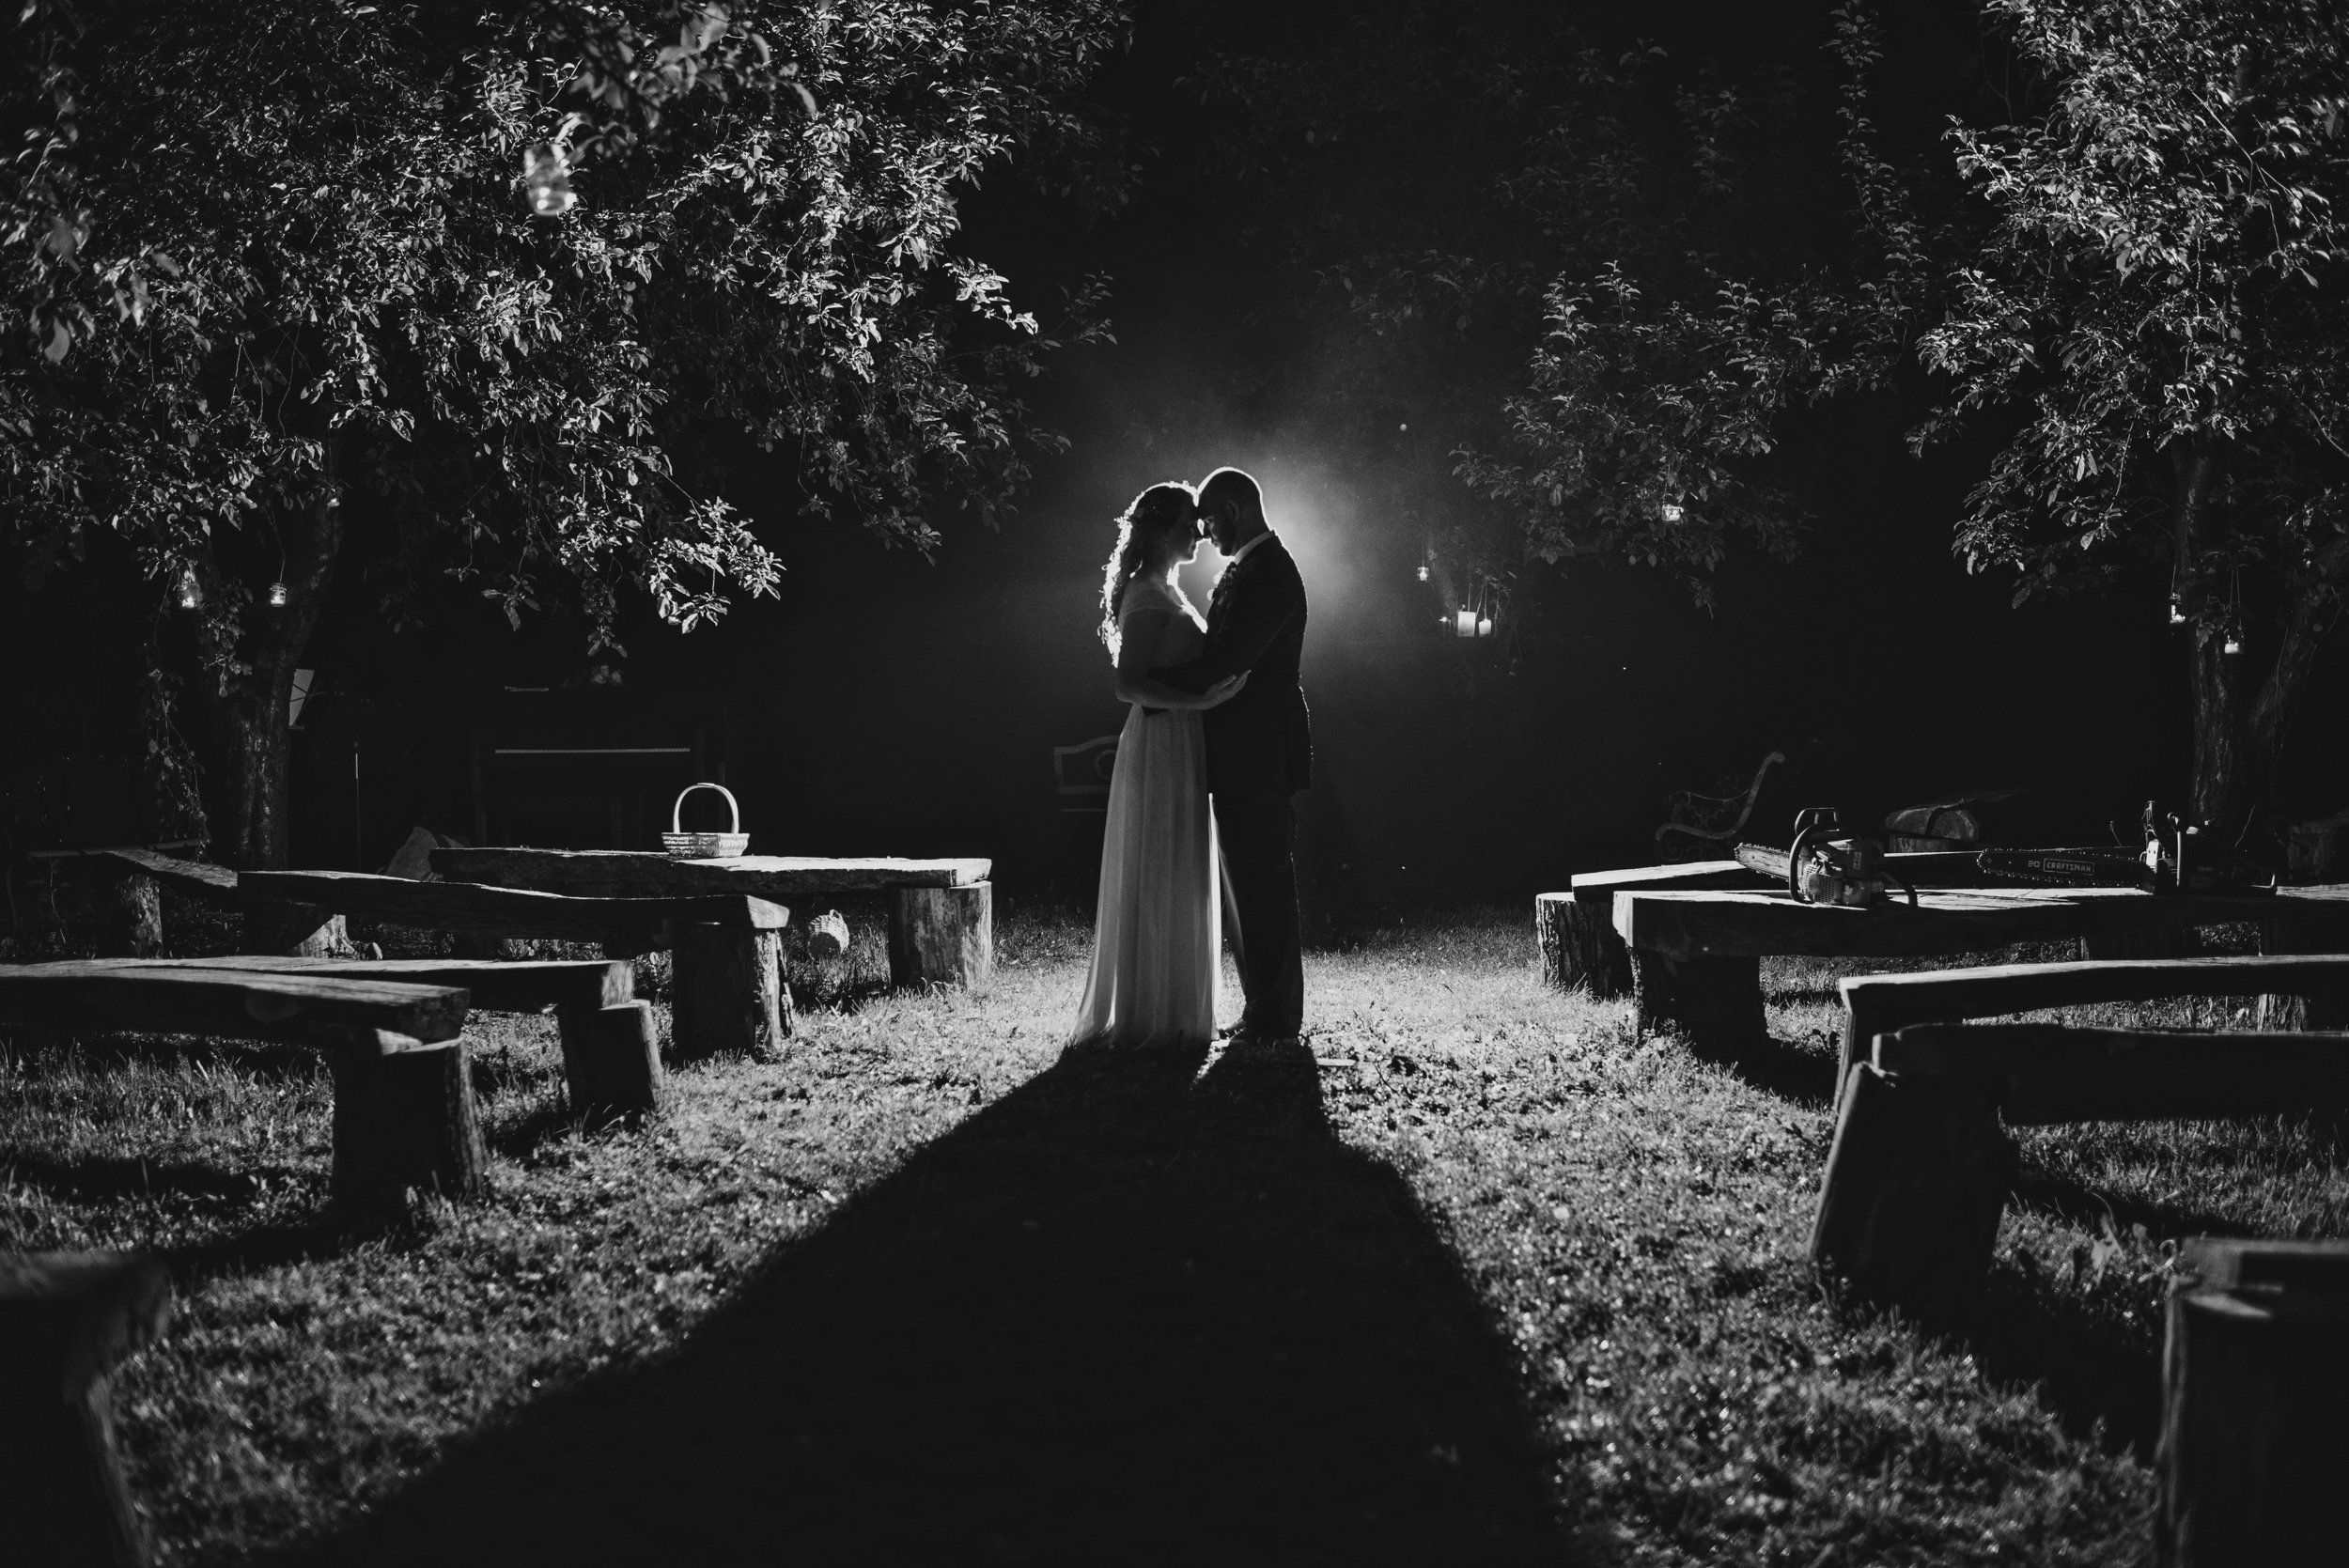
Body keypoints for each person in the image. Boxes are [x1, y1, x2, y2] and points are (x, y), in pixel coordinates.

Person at [1066, 482, 1249, 1048]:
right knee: (1161, 867)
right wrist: (1202, 702)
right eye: (1191, 521)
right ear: (1166, 528)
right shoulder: (1147, 594)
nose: (1200, 530)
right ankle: (1153, 1014)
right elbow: (1128, 685)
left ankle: (1176, 1007)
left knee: (1178, 869)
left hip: (1182, 742)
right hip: (1161, 741)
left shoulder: (1166, 588)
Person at [1152, 466, 1312, 1047]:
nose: (1205, 532)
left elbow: (1229, 660)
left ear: (1235, 510)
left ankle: (1276, 1017)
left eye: (1209, 519)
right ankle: (1263, 1009)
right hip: (1242, 751)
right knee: (1246, 883)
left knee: (1263, 882)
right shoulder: (1251, 568)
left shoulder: (1269, 573)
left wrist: (1150, 684)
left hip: (1261, 751)